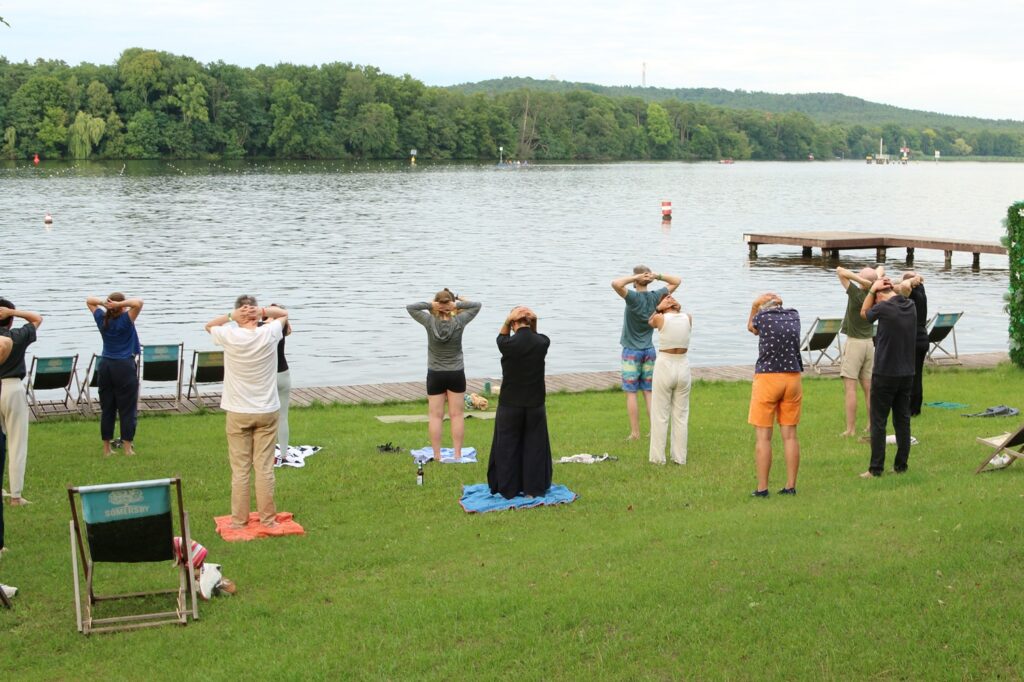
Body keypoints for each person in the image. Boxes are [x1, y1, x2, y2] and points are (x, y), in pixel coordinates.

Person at [205, 297, 289, 529]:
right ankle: (268, 520)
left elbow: (209, 325)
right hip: (266, 410)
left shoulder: (230, 334)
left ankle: (239, 521)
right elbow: (283, 314)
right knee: (264, 468)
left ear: (238, 315)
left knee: (240, 470)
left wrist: (231, 316)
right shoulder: (269, 332)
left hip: (238, 411)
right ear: (256, 314)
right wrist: (261, 311)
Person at [406, 289, 482, 461]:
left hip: (435, 374)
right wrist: (456, 304)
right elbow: (477, 305)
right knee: (457, 415)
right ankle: (457, 455)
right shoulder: (460, 321)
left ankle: (437, 455)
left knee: (435, 416)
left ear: (436, 303)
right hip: (456, 373)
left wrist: (430, 305)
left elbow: (411, 307)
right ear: (450, 304)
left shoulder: (428, 321)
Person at [487, 306, 552, 499]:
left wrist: (508, 320)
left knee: (507, 446)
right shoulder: (543, 342)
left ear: (513, 323)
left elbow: (501, 336)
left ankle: (508, 488)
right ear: (530, 322)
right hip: (535, 404)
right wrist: (533, 322)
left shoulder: (507, 344)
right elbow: (536, 336)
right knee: (535, 446)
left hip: (510, 403)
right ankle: (533, 488)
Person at [612, 266, 681, 440]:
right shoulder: (656, 296)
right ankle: (653, 430)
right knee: (648, 392)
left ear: (635, 282)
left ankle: (635, 433)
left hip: (631, 352)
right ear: (648, 281)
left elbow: (616, 283)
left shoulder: (632, 297)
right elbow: (677, 281)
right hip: (649, 351)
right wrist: (657, 276)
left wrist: (634, 277)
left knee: (631, 393)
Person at [859, 276, 918, 478]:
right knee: (902, 420)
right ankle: (901, 466)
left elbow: (864, 314)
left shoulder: (883, 308)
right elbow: (904, 289)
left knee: (878, 421)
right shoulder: (911, 306)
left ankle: (875, 468)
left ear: (879, 297)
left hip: (885, 372)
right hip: (907, 372)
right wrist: (889, 287)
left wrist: (871, 290)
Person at [746, 292, 803, 497]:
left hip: (768, 378)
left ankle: (762, 488)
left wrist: (755, 305)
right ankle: (790, 486)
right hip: (793, 378)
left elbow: (751, 327)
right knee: (790, 436)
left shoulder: (762, 318)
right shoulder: (794, 315)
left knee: (763, 437)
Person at [86, 294, 143, 456]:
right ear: (122, 307)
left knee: (108, 408)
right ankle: (127, 449)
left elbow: (89, 300)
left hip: (105, 366)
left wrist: (104, 303)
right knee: (127, 408)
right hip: (124, 366)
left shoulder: (102, 319)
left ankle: (107, 449)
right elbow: (138, 302)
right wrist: (118, 304)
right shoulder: (126, 319)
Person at [0, 299, 43, 507]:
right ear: (10, 320)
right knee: (17, 443)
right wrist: (12, 312)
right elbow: (37, 318)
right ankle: (16, 496)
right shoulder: (17, 336)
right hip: (12, 388)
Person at [647, 294, 692, 465]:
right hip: (683, 365)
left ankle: (658, 458)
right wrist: (675, 307)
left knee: (660, 414)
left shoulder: (660, 318)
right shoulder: (688, 317)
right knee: (681, 415)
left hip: (665, 364)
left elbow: (649, 322)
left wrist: (658, 308)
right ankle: (680, 457)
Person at [835, 266, 880, 437]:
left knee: (850, 388)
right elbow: (881, 268)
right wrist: (872, 283)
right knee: (869, 389)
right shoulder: (875, 295)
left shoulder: (857, 294)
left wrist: (861, 280)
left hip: (855, 344)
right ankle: (871, 425)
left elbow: (840, 271)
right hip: (869, 344)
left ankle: (850, 429)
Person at [261, 305, 293, 466]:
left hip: (268, 376)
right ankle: (284, 454)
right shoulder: (282, 327)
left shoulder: (261, 328)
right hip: (283, 373)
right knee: (283, 417)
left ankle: (267, 454)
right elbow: (289, 329)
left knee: (265, 418)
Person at [903, 272, 929, 416]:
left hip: (914, 338)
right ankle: (916, 407)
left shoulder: (912, 294)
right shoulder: (921, 292)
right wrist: (915, 277)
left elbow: (903, 286)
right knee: (917, 374)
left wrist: (910, 279)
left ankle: (910, 407)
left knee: (911, 374)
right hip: (923, 336)